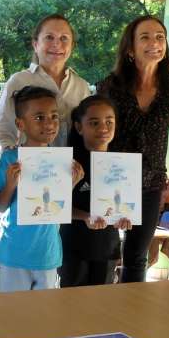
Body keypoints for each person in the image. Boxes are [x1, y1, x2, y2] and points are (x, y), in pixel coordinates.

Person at [96, 15, 169, 283]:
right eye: (145, 36)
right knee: (104, 251)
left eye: (160, 37)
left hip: (152, 181)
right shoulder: (112, 85)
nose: (154, 42)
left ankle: (129, 314)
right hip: (112, 177)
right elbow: (96, 131)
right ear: (130, 48)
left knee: (137, 256)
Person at [0, 86, 83, 293]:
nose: (49, 123)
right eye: (39, 117)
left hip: (47, 255)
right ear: (20, 124)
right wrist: (10, 184)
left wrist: (72, 183)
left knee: (42, 319)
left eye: (54, 116)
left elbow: (55, 208)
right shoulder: (10, 158)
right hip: (14, 254)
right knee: (8, 316)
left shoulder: (61, 162)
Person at [0, 14, 91, 160]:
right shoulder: (18, 81)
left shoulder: (81, 86)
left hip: (71, 172)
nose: (57, 44)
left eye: (64, 38)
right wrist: (10, 164)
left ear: (72, 46)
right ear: (35, 44)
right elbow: (2, 131)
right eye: (49, 37)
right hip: (29, 171)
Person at [60, 97, 132, 287]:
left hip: (107, 248)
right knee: (72, 305)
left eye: (109, 122)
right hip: (73, 248)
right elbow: (53, 210)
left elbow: (123, 208)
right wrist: (85, 216)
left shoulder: (122, 165)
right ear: (79, 127)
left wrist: (124, 218)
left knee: (101, 306)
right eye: (94, 122)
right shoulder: (68, 163)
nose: (103, 128)